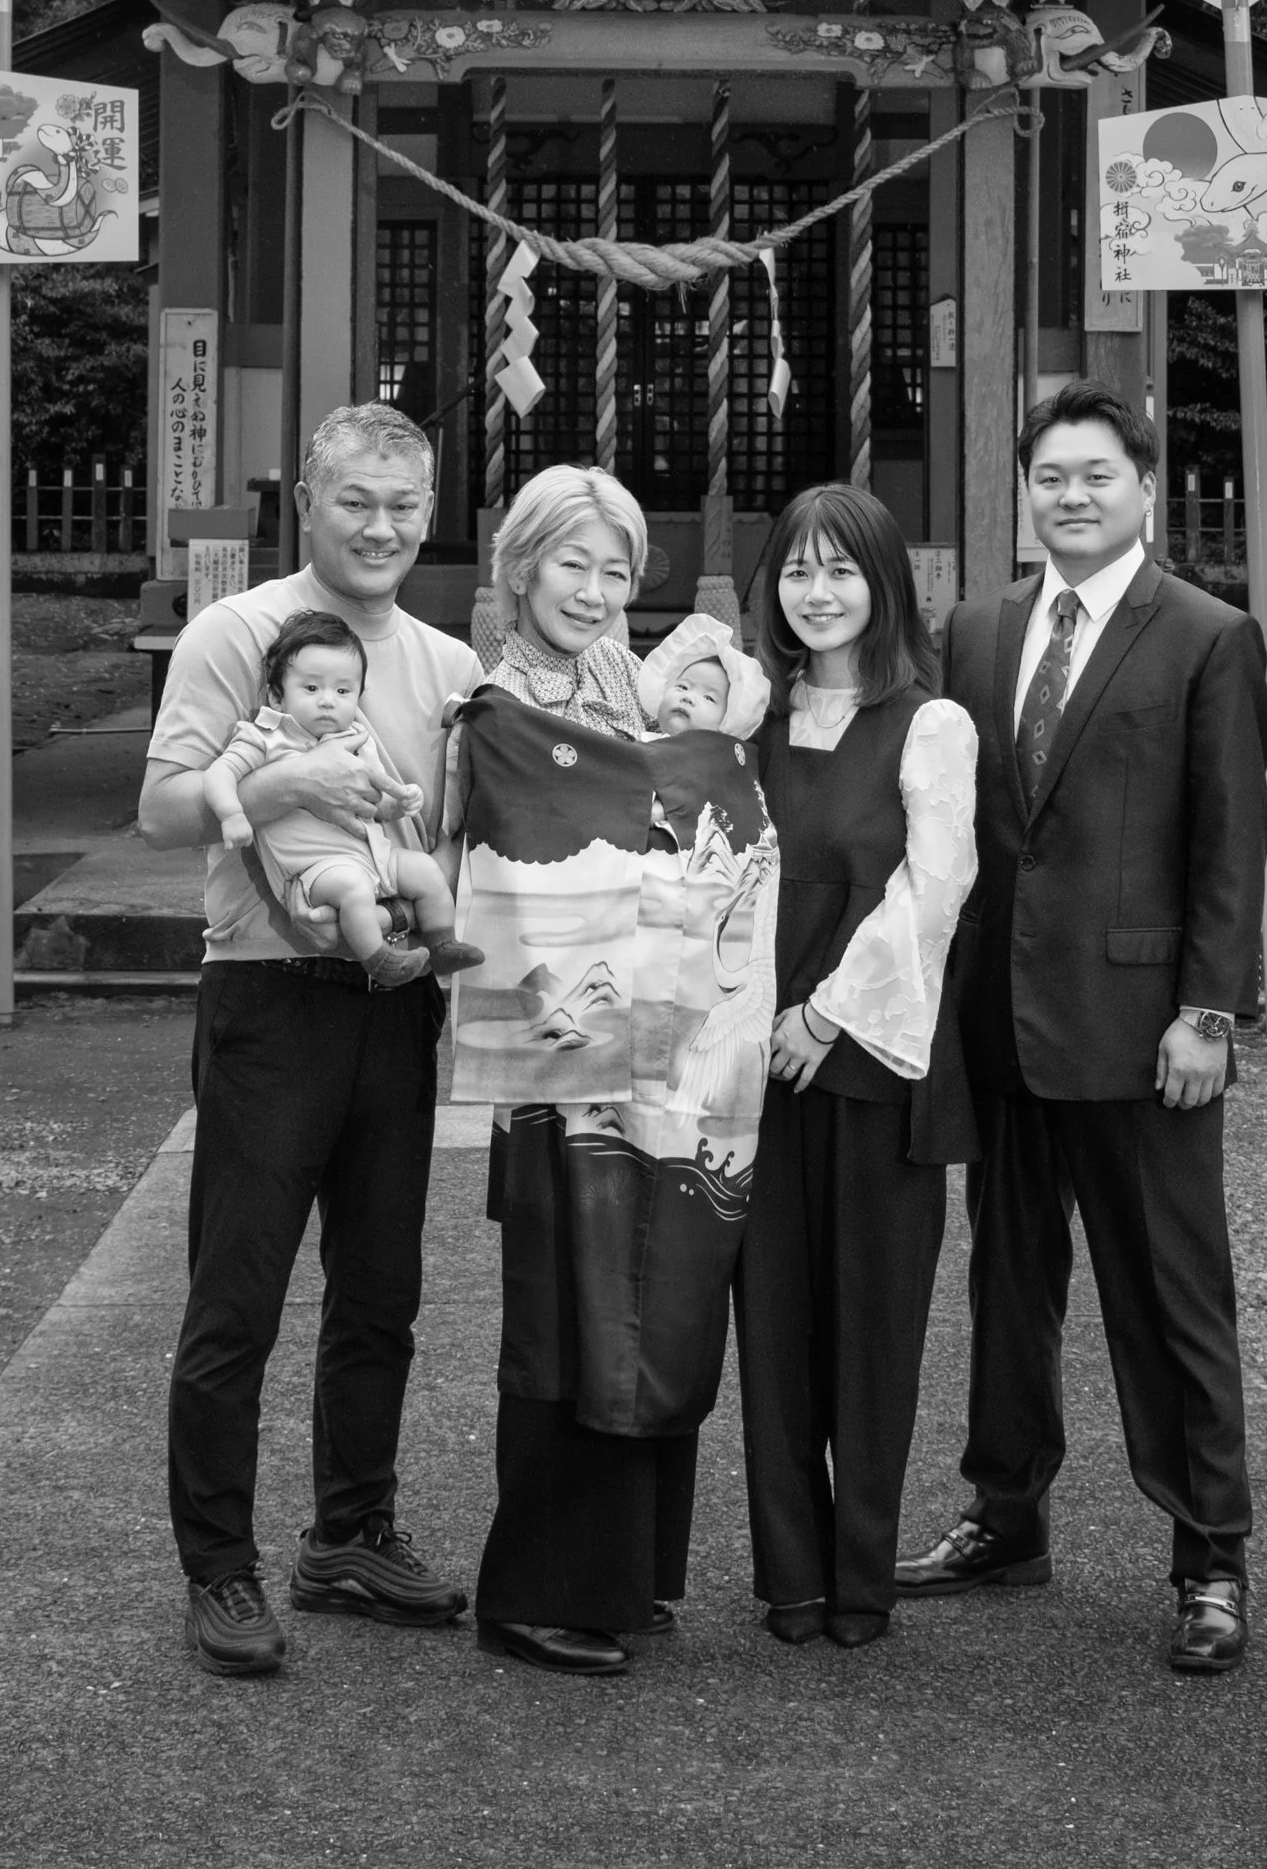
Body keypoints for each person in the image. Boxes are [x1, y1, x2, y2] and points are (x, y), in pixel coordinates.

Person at [896, 378, 1267, 1675]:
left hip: (1141, 1032)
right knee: (1006, 1286)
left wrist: (1206, 1011)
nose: (1070, 495)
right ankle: (1004, 1514)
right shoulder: (976, 630)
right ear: (1025, 492)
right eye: (1049, 476)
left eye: (1095, 474)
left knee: (1168, 1297)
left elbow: (1230, 839)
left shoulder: (1206, 636)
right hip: (1001, 1025)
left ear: (1143, 487)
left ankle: (1208, 1556)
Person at [141, 402, 481, 1678]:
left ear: (429, 510)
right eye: (355, 502)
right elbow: (162, 807)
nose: (381, 528)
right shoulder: (238, 633)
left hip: (395, 999)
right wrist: (286, 783)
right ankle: (217, 1567)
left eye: (404, 504)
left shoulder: (448, 662)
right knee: (238, 1296)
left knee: (381, 1292)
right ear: (308, 505)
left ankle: (350, 1535)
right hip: (270, 995)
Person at [455, 465, 777, 1679]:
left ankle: (627, 1576)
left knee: (652, 1287)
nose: (592, 592)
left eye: (614, 570)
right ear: (519, 566)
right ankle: (533, 1593)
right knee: (562, 1316)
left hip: (659, 1057)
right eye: (570, 564)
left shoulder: (617, 684)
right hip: (560, 1051)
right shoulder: (499, 701)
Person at [733, 482, 980, 1649]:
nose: (817, 592)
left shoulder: (930, 725)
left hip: (872, 1061)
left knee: (872, 1328)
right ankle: (790, 1573)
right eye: (797, 569)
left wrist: (824, 1018)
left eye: (840, 569)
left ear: (884, 584)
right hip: (752, 1067)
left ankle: (860, 1577)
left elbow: (933, 891)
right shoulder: (747, 721)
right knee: (772, 1325)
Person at [201, 609, 481, 979]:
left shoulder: (356, 741)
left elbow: (373, 804)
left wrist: (398, 803)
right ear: (277, 696)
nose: (328, 700)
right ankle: (381, 961)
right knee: (353, 889)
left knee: (425, 871)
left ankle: (442, 944)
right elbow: (219, 773)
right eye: (311, 688)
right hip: (316, 871)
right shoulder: (266, 736)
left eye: (343, 691)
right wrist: (232, 813)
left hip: (375, 856)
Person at [634, 610, 771, 739]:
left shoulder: (721, 756)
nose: (688, 697)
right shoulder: (638, 745)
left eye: (709, 698)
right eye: (682, 687)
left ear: (729, 721)